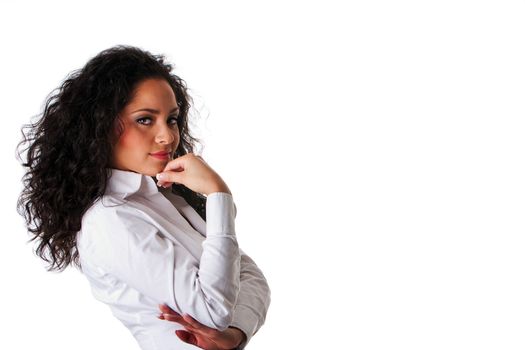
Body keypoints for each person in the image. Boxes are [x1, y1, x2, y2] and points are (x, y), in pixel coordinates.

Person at [16, 45, 271, 350]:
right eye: (145, 120)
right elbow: (213, 310)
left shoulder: (167, 197)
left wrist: (234, 335)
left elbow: (253, 278)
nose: (167, 136)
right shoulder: (109, 219)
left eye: (172, 119)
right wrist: (218, 195)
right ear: (100, 126)